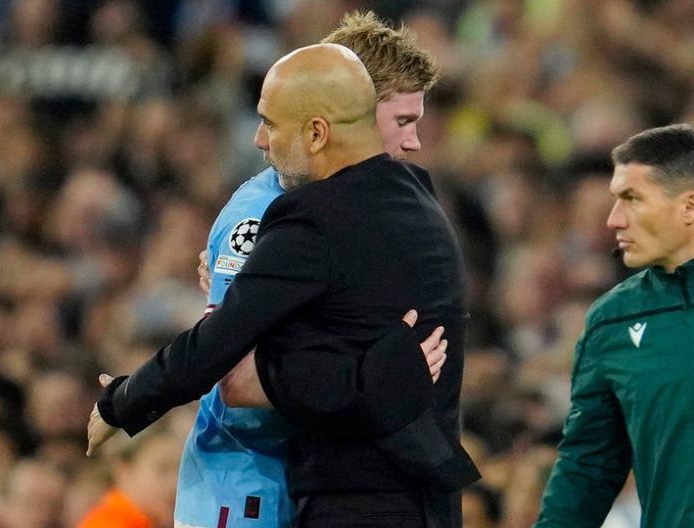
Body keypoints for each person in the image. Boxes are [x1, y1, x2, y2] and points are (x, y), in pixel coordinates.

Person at [88, 43, 478, 527]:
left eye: (270, 124)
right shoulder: (419, 203)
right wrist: (370, 375)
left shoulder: (312, 216)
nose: (259, 141)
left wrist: (122, 402)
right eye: (402, 120)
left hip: (338, 496)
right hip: (416, 499)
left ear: (317, 132)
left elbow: (224, 357)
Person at [179, 11, 445, 528]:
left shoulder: (360, 214)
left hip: (313, 482)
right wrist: (374, 377)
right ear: (349, 114)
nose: (414, 142)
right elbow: (236, 380)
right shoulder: (262, 214)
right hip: (247, 486)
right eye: (402, 121)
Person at [535, 124, 694, 526]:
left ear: (689, 207)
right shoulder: (611, 320)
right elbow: (587, 468)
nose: (614, 220)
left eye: (632, 199)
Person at [78, 427, 182, 528]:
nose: (175, 482)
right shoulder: (109, 524)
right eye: (163, 469)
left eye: (180, 470)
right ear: (124, 469)